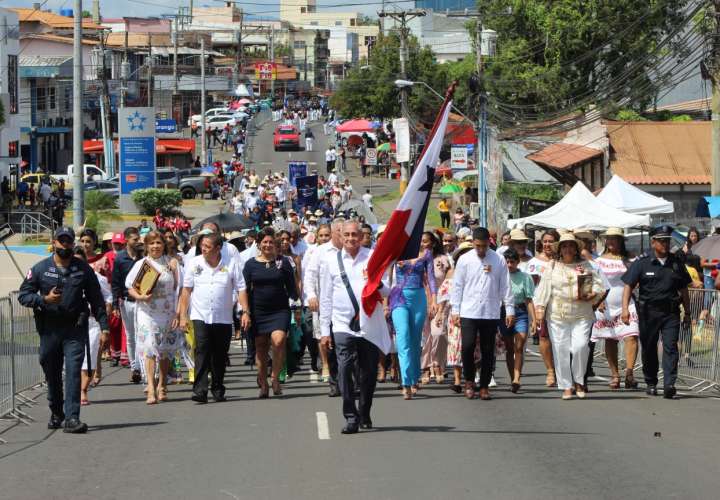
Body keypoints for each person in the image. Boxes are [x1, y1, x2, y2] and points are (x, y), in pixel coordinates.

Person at [18, 227, 110, 433]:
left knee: (74, 370)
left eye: (68, 241)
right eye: (61, 241)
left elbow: (96, 299)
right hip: (49, 329)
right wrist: (44, 299)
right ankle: (57, 411)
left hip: (74, 329)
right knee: (51, 372)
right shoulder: (40, 268)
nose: (65, 245)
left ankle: (72, 418)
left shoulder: (83, 269)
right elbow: (23, 295)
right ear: (54, 242)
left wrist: (104, 327)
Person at [319, 220, 388, 434]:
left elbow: (387, 292)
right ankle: (350, 416)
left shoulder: (373, 258)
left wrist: (376, 283)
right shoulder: (331, 261)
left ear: (361, 236)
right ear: (340, 236)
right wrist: (324, 330)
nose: (350, 239)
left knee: (368, 372)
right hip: (342, 325)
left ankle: (364, 410)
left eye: (354, 235)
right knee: (344, 367)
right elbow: (326, 297)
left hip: (368, 324)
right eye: (346, 235)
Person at [621, 225, 692, 399]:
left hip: (671, 313)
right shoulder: (642, 263)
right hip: (648, 313)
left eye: (667, 241)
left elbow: (684, 289)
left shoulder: (676, 263)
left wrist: (688, 313)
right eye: (661, 241)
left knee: (670, 347)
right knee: (650, 348)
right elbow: (628, 285)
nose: (665, 244)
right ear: (653, 242)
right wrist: (624, 309)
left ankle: (669, 384)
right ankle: (651, 381)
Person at [534, 232, 605, 400]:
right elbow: (543, 290)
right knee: (561, 349)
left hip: (582, 314)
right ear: (560, 249)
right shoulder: (552, 266)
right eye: (564, 246)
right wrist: (539, 312)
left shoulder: (586, 265)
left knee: (580, 346)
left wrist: (592, 295)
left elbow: (599, 286)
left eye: (570, 246)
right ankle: (566, 385)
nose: (567, 249)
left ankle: (579, 381)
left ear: (576, 249)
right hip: (557, 314)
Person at [179, 233, 245, 403]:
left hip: (222, 317)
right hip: (200, 314)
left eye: (208, 246)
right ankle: (200, 390)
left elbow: (241, 289)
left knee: (220, 354)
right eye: (202, 246)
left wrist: (245, 311)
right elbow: (186, 291)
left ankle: (217, 387)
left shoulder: (231, 264)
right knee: (201, 349)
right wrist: (182, 315)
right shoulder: (194, 263)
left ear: (218, 248)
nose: (203, 249)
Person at [450, 227, 513, 400]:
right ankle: (469, 380)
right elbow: (457, 286)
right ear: (473, 243)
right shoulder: (464, 259)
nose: (481, 250)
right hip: (469, 311)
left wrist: (510, 309)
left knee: (487, 350)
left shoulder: (498, 259)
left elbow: (505, 286)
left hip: (490, 311)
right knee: (468, 346)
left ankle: (484, 385)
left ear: (489, 244)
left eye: (484, 246)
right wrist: (455, 310)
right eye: (478, 246)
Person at [240, 227, 299, 398]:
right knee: (261, 347)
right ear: (258, 244)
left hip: (280, 310)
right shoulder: (250, 264)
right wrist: (245, 312)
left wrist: (297, 307)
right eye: (264, 242)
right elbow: (242, 288)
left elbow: (292, 288)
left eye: (271, 242)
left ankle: (275, 378)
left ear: (276, 244)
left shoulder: (283, 262)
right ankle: (263, 382)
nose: (268, 245)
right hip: (258, 311)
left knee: (279, 341)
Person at [125, 231, 183, 404]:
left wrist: (178, 313)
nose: (155, 246)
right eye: (152, 244)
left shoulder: (171, 263)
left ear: (164, 245)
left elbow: (180, 290)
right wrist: (140, 297)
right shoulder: (141, 265)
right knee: (150, 347)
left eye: (158, 243)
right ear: (147, 246)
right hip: (147, 312)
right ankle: (150, 386)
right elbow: (130, 287)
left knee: (164, 350)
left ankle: (163, 384)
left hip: (167, 313)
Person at [591, 228, 640, 390]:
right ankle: (614, 374)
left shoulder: (630, 259)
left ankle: (629, 374)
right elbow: (593, 281)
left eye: (615, 238)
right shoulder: (598, 261)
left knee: (632, 336)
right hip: (606, 305)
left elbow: (637, 278)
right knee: (610, 339)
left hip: (627, 304)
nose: (611, 241)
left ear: (621, 241)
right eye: (609, 238)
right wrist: (597, 300)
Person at [390, 233, 437, 399]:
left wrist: (434, 300)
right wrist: (383, 301)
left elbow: (431, 278)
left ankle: (414, 375)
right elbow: (386, 277)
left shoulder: (426, 254)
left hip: (418, 298)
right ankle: (406, 382)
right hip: (398, 297)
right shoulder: (396, 251)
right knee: (403, 337)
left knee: (415, 340)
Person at [73, 248, 112, 406]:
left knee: (89, 356)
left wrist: (107, 308)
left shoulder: (96, 278)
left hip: (92, 322)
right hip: (72, 323)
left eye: (80, 260)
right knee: (74, 357)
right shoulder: (65, 277)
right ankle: (74, 388)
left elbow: (108, 295)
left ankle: (83, 390)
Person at [525, 229, 559, 383]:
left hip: (560, 305)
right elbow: (529, 289)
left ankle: (562, 369)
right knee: (544, 338)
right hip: (541, 306)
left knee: (560, 340)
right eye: (545, 241)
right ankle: (550, 371)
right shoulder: (533, 263)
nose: (547, 244)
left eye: (551, 241)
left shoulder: (563, 261)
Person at [111, 227, 144, 384]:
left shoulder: (143, 257)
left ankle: (144, 367)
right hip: (127, 302)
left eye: (138, 239)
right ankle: (134, 368)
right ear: (126, 240)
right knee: (131, 336)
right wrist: (115, 305)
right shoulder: (119, 259)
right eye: (134, 239)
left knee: (142, 335)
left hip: (143, 301)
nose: (138, 242)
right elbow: (115, 283)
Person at [500, 248, 535, 392]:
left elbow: (529, 300)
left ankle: (517, 378)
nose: (509, 264)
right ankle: (512, 378)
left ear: (517, 262)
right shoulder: (500, 276)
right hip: (503, 313)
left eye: (512, 262)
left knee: (519, 346)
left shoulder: (525, 277)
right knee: (509, 348)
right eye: (507, 262)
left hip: (520, 312)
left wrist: (534, 319)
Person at [420, 232, 451, 384]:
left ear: (432, 243)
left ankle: (438, 364)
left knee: (438, 333)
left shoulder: (443, 260)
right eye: (420, 241)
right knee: (426, 337)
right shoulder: (416, 260)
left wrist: (440, 305)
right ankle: (426, 368)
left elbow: (449, 283)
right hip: (421, 302)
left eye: (425, 241)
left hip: (440, 302)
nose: (422, 244)